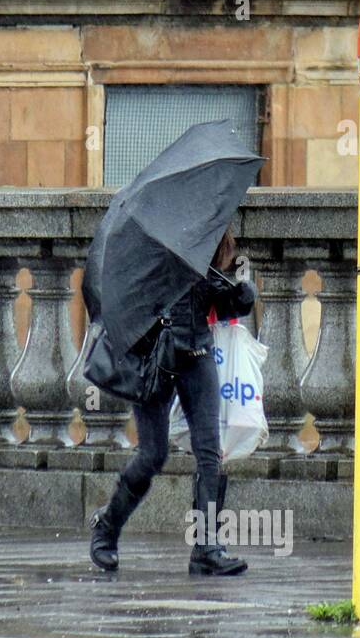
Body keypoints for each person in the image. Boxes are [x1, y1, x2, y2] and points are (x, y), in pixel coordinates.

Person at [89, 226, 256, 576]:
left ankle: (207, 548)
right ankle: (107, 526)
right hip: (155, 358)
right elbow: (126, 306)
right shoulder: (148, 244)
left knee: (210, 450)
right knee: (153, 454)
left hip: (198, 353)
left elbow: (214, 306)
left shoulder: (207, 237)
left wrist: (239, 298)